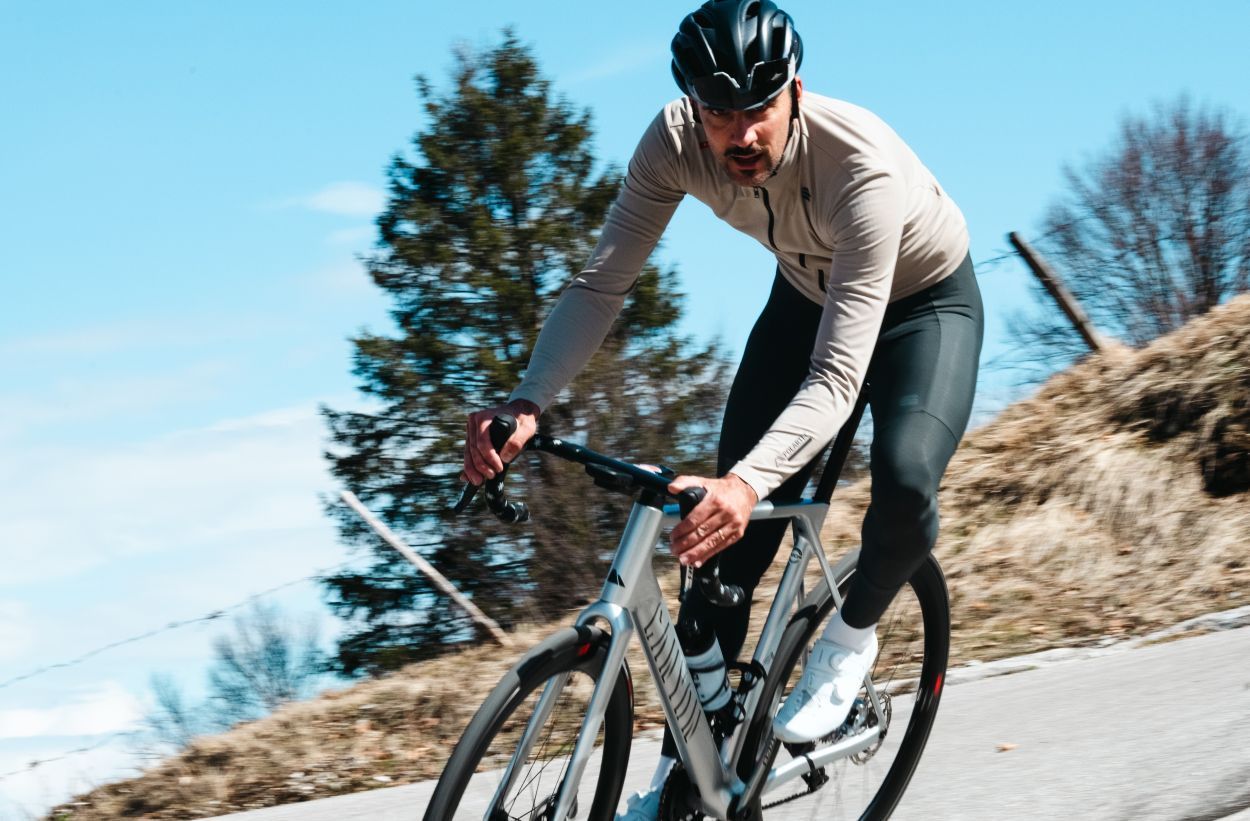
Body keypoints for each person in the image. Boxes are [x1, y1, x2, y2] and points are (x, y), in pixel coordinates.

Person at [462, 0, 983, 816]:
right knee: (716, 549)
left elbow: (837, 380)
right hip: (805, 300)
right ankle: (685, 779)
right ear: (692, 105)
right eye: (718, 112)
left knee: (906, 474)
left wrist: (748, 481)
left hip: (923, 307)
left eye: (758, 109)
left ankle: (849, 637)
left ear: (796, 93)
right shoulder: (673, 143)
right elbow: (601, 286)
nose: (740, 134)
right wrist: (528, 399)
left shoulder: (860, 166)